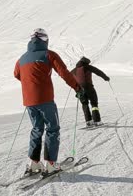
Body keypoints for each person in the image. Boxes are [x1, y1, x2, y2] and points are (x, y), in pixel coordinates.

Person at [14, 28, 84, 176]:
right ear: (45, 40)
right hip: (45, 99)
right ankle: (50, 164)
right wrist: (77, 87)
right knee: (52, 129)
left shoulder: (22, 58)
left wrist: (31, 83)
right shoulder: (49, 54)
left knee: (36, 129)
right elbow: (64, 72)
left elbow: (17, 74)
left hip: (29, 101)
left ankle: (33, 163)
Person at [71, 56, 110, 127]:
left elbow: (69, 77)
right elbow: (98, 72)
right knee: (94, 103)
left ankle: (88, 121)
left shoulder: (74, 70)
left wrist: (76, 89)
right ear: (86, 62)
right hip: (88, 87)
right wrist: (106, 78)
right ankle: (97, 121)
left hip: (79, 90)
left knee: (84, 104)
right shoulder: (87, 67)